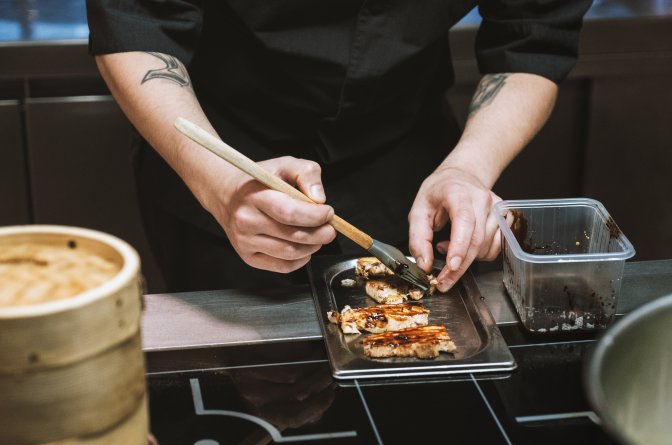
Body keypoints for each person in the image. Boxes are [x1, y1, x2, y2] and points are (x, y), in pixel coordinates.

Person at [86, 0, 592, 293]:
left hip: (407, 151)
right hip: (221, 147)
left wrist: (469, 169)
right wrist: (218, 183)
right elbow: (137, 21)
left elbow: (532, 37)